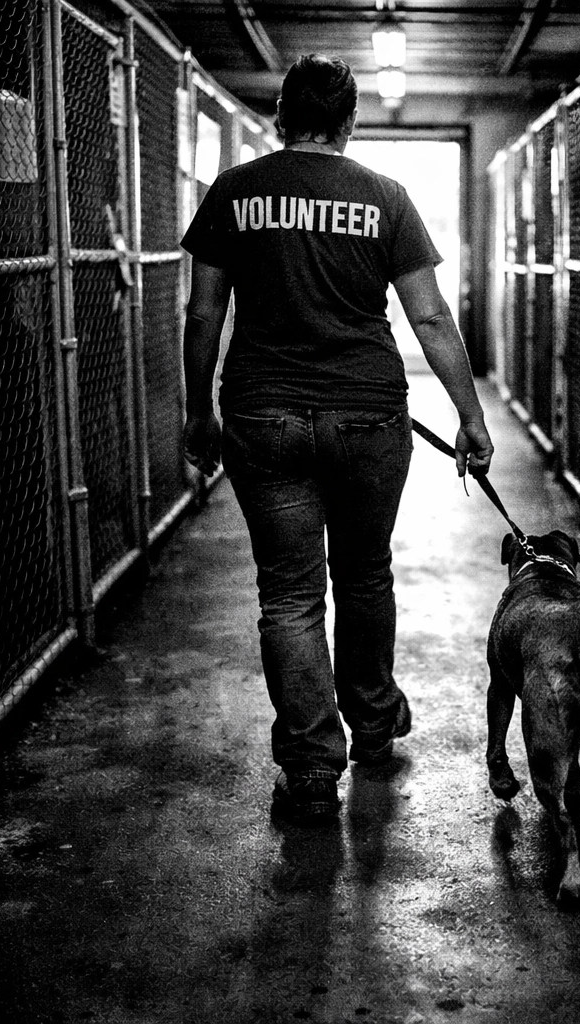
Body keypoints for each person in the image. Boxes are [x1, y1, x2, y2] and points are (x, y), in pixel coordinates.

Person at [180, 54, 494, 825]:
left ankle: (312, 768)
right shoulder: (385, 197)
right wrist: (471, 415)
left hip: (263, 415)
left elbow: (202, 315)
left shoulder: (234, 191)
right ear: (350, 123)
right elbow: (428, 317)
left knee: (288, 593)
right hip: (368, 416)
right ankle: (375, 723)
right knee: (364, 574)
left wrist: (198, 412)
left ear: (282, 115)